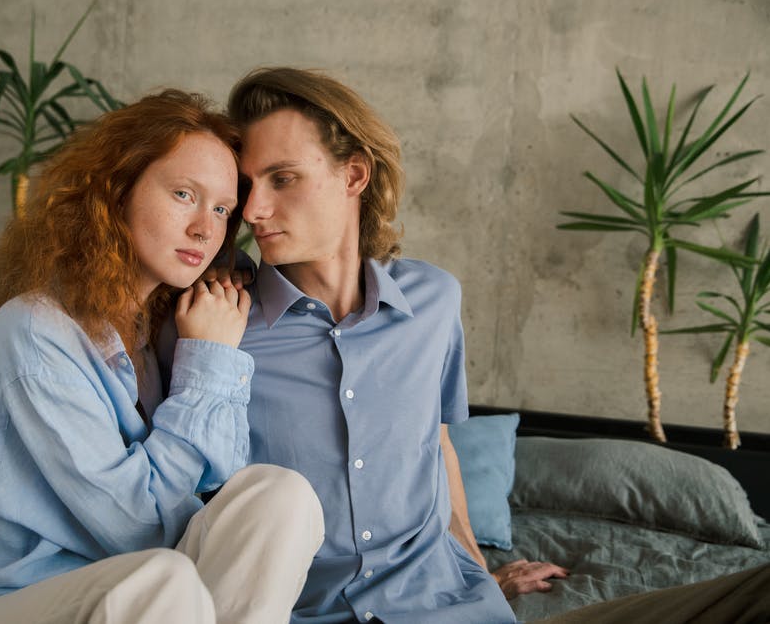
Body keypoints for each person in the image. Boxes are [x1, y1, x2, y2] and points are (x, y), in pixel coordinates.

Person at [0, 90, 324, 624]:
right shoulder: (35, 332)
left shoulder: (158, 328)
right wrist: (209, 364)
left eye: (222, 209)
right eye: (184, 194)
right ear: (116, 190)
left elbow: (217, 478)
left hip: (145, 595)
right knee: (159, 580)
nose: (205, 228)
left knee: (281, 496)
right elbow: (136, 529)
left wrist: (215, 313)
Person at [156, 68, 564, 623]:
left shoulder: (434, 301)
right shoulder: (212, 327)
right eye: (248, 188)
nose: (252, 212)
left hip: (444, 606)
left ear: (353, 175)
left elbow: (435, 446)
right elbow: (180, 499)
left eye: (283, 178)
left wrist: (477, 569)